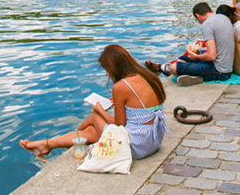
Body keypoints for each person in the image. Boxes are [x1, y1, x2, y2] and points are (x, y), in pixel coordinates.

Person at [20, 44, 168, 162]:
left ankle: (69, 143)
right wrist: (117, 103)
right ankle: (47, 145)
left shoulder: (121, 86)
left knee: (95, 117)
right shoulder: (147, 75)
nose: (108, 74)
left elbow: (119, 124)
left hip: (137, 147)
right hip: (153, 140)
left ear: (113, 68)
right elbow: (140, 109)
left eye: (107, 70)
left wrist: (99, 110)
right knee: (92, 131)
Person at [145, 2, 235, 85]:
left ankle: (165, 69)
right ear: (210, 10)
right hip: (227, 67)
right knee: (183, 58)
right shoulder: (224, 18)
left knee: (174, 68)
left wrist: (197, 57)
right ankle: (192, 76)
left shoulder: (207, 24)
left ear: (198, 16)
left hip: (219, 72)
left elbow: (212, 56)